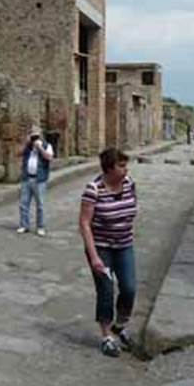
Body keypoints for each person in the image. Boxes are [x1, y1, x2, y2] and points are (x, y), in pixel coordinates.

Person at [79, 147, 138, 357]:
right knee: (106, 289)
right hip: (101, 247)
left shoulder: (129, 184)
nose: (126, 169)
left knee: (129, 288)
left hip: (124, 244)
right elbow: (85, 223)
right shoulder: (93, 189)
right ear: (109, 169)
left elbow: (132, 208)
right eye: (121, 165)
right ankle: (106, 337)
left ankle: (120, 326)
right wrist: (93, 256)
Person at [17, 126, 54, 236]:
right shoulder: (27, 147)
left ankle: (40, 226)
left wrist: (40, 148)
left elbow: (49, 158)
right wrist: (26, 143)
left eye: (36, 134)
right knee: (23, 203)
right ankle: (24, 225)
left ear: (41, 135)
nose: (34, 137)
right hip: (26, 178)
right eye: (32, 134)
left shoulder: (47, 145)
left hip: (40, 180)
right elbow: (18, 154)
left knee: (40, 205)